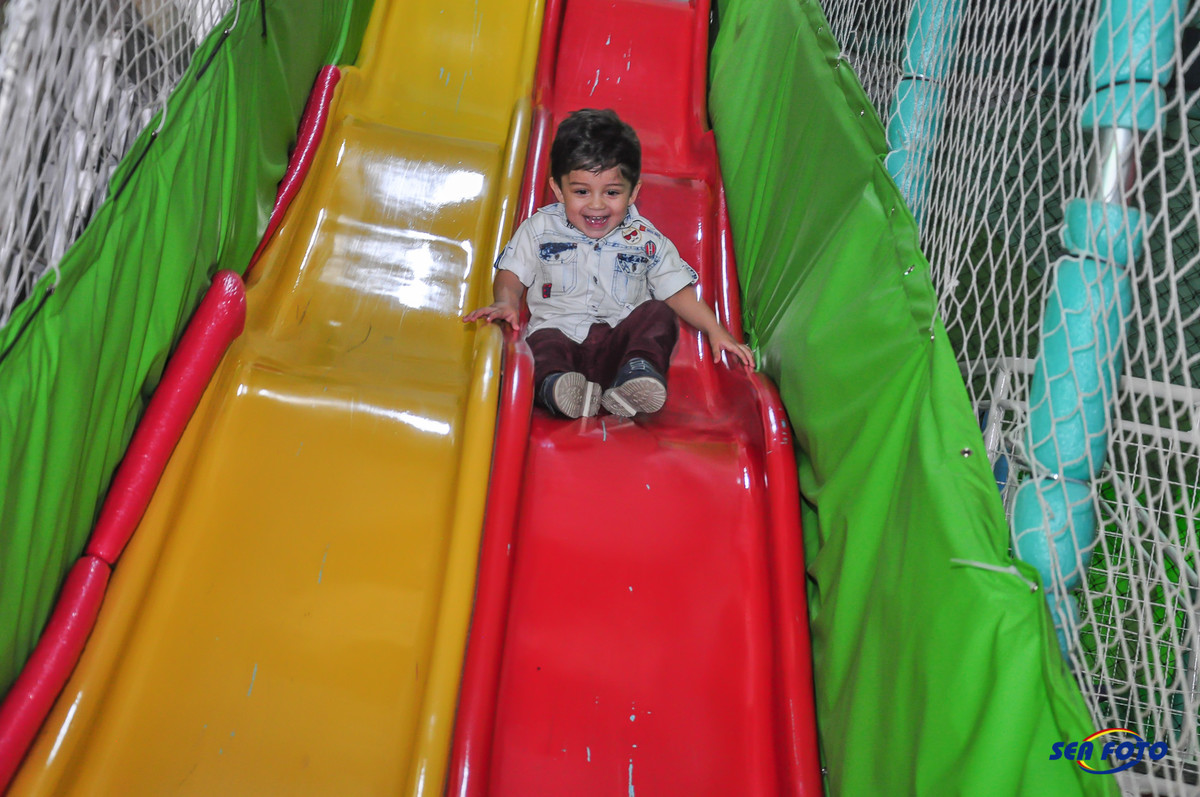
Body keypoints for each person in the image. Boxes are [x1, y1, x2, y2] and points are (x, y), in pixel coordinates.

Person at [462, 108, 754, 419]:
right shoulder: (539, 229)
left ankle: (635, 377)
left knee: (659, 314)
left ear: (633, 193)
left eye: (612, 192)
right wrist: (505, 302)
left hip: (618, 350)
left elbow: (677, 290)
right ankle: (556, 388)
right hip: (561, 338)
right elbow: (511, 274)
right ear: (558, 189)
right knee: (540, 344)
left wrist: (716, 330)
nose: (597, 204)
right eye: (581, 191)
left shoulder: (646, 239)